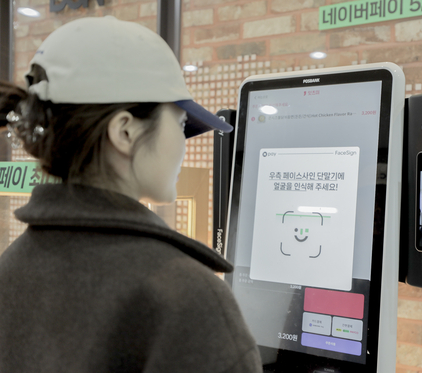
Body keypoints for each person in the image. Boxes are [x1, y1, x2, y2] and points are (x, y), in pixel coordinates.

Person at [0, 16, 262, 373]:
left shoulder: (12, 268)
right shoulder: (185, 297)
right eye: (181, 123)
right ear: (125, 131)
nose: (184, 146)